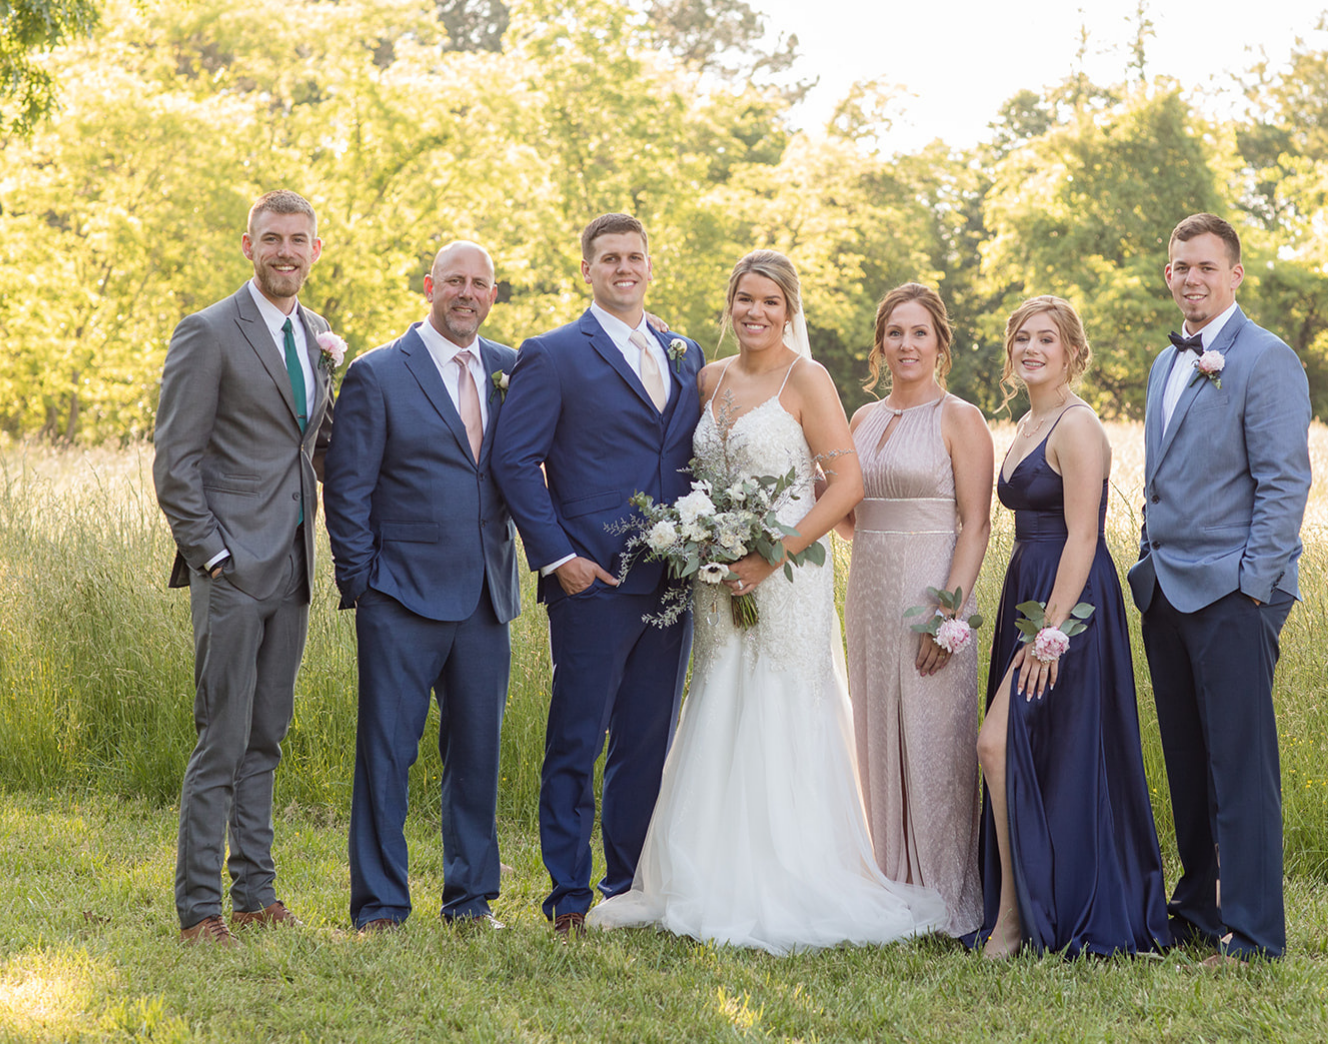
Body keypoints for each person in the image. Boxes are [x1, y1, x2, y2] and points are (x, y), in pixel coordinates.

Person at [588, 250, 946, 954]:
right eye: (744, 299)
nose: (755, 312)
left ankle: (789, 874)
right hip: (716, 574)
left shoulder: (806, 379)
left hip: (786, 572)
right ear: (730, 304)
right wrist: (708, 544)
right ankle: (705, 872)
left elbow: (845, 488)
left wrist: (770, 553)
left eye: (770, 302)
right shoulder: (709, 377)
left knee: (781, 700)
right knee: (721, 695)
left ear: (790, 310)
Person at [492, 214, 705, 938]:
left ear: (650, 265)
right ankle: (568, 895)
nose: (625, 267)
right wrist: (559, 558)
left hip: (672, 581)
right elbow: (515, 461)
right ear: (587, 269)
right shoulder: (552, 355)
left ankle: (628, 885)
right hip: (593, 583)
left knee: (647, 742)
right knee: (577, 740)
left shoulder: (685, 350)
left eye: (635, 256)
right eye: (610, 257)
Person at [1127, 214, 1311, 963]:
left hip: (1235, 594)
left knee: (1241, 767)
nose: (1192, 278)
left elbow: (1284, 481)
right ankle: (1198, 909)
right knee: (1188, 761)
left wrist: (1256, 586)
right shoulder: (1165, 363)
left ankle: (1257, 932)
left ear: (1235, 274)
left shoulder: (1266, 359)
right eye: (1180, 267)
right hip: (1166, 589)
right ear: (1168, 276)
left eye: (1206, 266)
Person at [153, 189, 334, 946]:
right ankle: (200, 910)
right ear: (248, 245)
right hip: (230, 570)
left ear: (315, 249)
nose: (285, 251)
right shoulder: (208, 332)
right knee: (220, 738)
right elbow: (175, 460)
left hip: (292, 563)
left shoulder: (318, 333)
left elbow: (311, 446)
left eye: (297, 239)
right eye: (272, 239)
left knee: (266, 735)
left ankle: (256, 892)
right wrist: (212, 555)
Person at [323, 240, 521, 932]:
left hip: (486, 599)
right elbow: (346, 488)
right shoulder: (379, 373)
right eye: (455, 282)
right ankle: (380, 904)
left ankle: (470, 901)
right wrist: (363, 585)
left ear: (493, 295)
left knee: (476, 755)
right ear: (430, 286)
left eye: (481, 284)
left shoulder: (508, 368)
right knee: (386, 756)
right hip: (400, 597)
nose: (467, 293)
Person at [976, 295, 1171, 960]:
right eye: (1022, 339)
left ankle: (1011, 918)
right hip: (1026, 588)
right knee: (1039, 751)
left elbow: (1085, 534)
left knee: (997, 745)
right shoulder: (1029, 422)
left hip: (1069, 602)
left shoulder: (1078, 426)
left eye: (1046, 340)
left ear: (1071, 352)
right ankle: (1031, 902)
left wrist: (1050, 632)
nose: (1032, 349)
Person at [838, 283, 990, 941]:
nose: (906, 345)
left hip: (934, 591)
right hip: (868, 592)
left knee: (934, 742)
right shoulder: (862, 420)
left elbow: (978, 525)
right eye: (895, 333)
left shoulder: (961, 418)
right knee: (873, 735)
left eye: (919, 333)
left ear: (940, 344)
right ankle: (887, 888)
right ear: (880, 344)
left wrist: (948, 614)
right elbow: (847, 518)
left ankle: (948, 899)